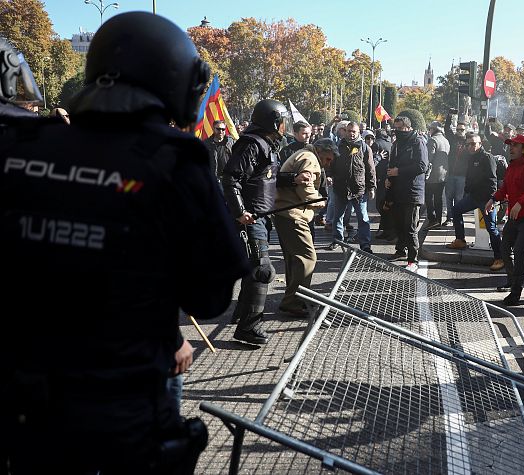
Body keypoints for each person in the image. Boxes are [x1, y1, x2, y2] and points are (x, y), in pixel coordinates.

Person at [1, 13, 250, 473]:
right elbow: (210, 297)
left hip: (25, 413)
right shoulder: (177, 163)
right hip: (123, 418)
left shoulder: (21, 146)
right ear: (174, 79)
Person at [222, 98, 304, 345]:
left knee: (252, 268)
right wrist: (240, 212)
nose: (284, 127)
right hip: (249, 218)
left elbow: (268, 178)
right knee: (262, 269)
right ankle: (249, 328)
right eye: (282, 123)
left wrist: (294, 180)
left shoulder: (267, 145)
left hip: (261, 217)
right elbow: (231, 179)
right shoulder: (251, 144)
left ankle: (241, 314)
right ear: (273, 122)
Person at [272, 138, 336, 317]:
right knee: (307, 258)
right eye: (328, 159)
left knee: (295, 259)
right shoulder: (310, 159)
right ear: (320, 151)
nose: (328, 163)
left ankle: (295, 298)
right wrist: (319, 201)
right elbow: (305, 189)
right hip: (293, 214)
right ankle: (294, 301)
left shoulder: (305, 155)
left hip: (287, 212)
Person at [488, 135, 524, 305]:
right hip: (515, 216)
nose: (510, 148)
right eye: (510, 145)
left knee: (520, 250)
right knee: (504, 247)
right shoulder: (512, 166)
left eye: (515, 145)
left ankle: (516, 292)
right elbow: (505, 188)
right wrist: (493, 198)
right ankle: (512, 280)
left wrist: (521, 202)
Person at [446, 132, 504, 271]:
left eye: (473, 144)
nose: (470, 147)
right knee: (456, 209)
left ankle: (499, 258)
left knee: (492, 228)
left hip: (486, 200)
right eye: (468, 144)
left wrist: (491, 200)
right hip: (473, 197)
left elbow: (492, 180)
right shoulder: (471, 157)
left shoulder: (487, 157)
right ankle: (460, 240)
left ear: (480, 144)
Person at [386, 115, 428, 270]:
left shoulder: (418, 141)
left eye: (400, 128)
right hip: (398, 190)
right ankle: (400, 250)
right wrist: (389, 176)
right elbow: (392, 163)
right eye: (395, 128)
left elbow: (422, 166)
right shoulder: (396, 143)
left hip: (413, 191)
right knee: (398, 224)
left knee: (410, 227)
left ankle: (413, 259)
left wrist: (399, 171)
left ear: (408, 128)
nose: (397, 131)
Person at [329, 121, 375, 252]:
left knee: (363, 218)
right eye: (349, 131)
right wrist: (329, 175)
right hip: (341, 188)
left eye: (354, 131)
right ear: (345, 131)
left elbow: (370, 169)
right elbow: (330, 164)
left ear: (358, 132)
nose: (351, 134)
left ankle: (365, 245)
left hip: (359, 189)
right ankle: (337, 240)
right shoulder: (338, 146)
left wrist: (371, 187)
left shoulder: (365, 148)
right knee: (338, 216)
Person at [424, 120, 450, 228]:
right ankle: (438, 220)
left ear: (433, 130)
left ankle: (432, 219)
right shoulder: (445, 140)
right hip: (443, 174)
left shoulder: (432, 140)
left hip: (433, 174)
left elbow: (428, 158)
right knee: (438, 198)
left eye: (430, 129)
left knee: (429, 198)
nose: (429, 131)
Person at [444, 112, 467, 225]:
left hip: (462, 175)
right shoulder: (452, 139)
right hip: (450, 174)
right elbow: (447, 129)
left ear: (465, 130)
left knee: (459, 198)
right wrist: (449, 116)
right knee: (448, 197)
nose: (459, 131)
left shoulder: (468, 142)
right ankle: (449, 217)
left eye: (462, 130)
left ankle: (457, 218)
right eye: (458, 129)